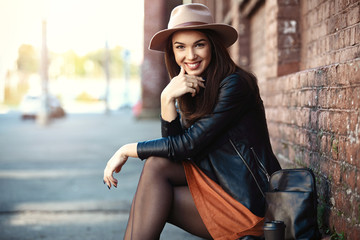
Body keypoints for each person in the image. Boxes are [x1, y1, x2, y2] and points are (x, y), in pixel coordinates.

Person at [103, 3, 281, 240]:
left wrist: (128, 149)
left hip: (251, 206)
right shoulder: (193, 85)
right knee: (156, 170)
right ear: (173, 52)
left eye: (199, 44)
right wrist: (167, 100)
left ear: (213, 46)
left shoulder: (235, 84)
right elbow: (174, 154)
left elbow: (187, 146)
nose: (190, 55)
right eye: (180, 47)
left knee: (154, 179)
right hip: (218, 188)